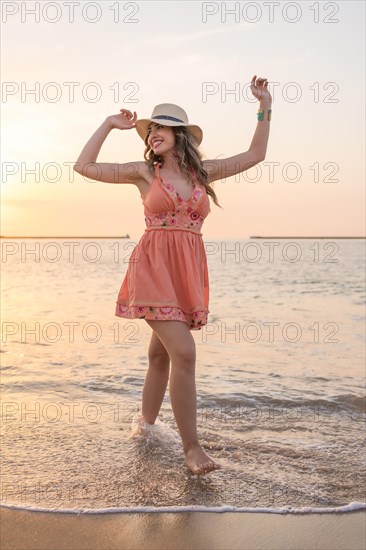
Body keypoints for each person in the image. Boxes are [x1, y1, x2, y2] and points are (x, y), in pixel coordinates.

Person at [74, 75, 272, 475]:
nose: (153, 135)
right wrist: (110, 124)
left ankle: (143, 430)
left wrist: (264, 105)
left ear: (181, 135)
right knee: (184, 352)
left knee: (159, 355)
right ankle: (192, 449)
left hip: (187, 272)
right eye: (150, 130)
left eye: (161, 128)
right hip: (151, 267)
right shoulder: (143, 174)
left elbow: (255, 155)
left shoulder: (205, 174)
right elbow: (84, 166)